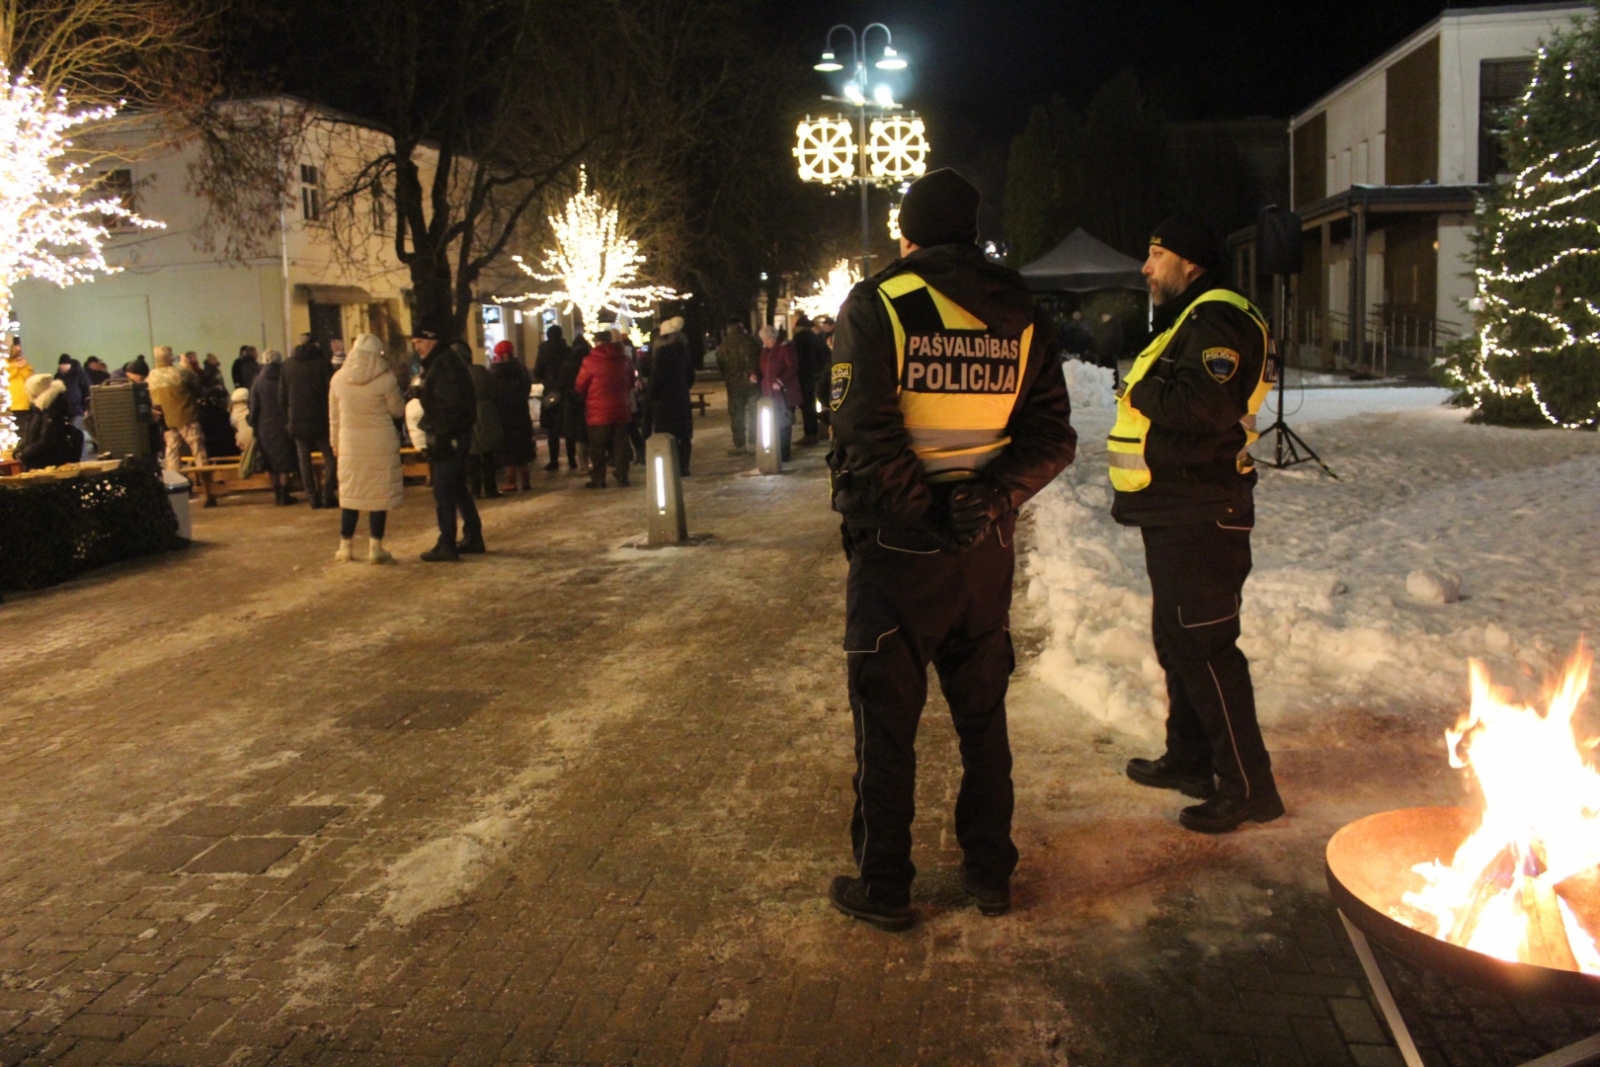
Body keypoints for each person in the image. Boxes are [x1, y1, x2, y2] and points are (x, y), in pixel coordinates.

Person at [825, 167, 1075, 930]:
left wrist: (929, 513)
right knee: (983, 716)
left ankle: (887, 883)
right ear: (971, 233)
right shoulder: (1024, 312)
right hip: (982, 555)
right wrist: (987, 501)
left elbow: (865, 437)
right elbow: (1052, 436)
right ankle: (990, 869)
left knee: (888, 722)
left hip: (900, 551)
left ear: (908, 233)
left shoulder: (881, 305)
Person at [1113, 214, 1283, 835]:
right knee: (1179, 639)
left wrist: (1137, 390)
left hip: (1202, 512)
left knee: (1207, 648)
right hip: (1180, 508)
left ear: (1190, 261)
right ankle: (1191, 760)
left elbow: (1202, 405)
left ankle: (1249, 787)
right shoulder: (1195, 317)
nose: (1146, 266)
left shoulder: (1218, 318)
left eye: (1156, 253)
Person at [329, 333, 404, 564]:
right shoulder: (386, 379)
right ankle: (375, 548)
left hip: (350, 443)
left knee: (352, 494)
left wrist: (335, 444)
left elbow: (334, 417)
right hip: (380, 442)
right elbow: (397, 410)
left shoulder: (338, 379)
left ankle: (345, 547)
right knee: (377, 496)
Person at [415, 319, 483, 561]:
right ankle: (473, 536)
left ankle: (447, 543)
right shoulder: (441, 362)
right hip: (453, 433)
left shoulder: (443, 364)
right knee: (455, 486)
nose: (417, 347)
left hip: (450, 435)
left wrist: (443, 437)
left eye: (420, 341)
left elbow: (450, 405)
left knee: (444, 489)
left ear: (432, 341)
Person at [574, 328, 635, 488]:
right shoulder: (625, 359)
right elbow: (631, 383)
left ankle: (599, 479)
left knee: (598, 447)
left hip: (598, 413)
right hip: (621, 409)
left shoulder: (590, 361)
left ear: (596, 342)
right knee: (621, 444)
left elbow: (580, 385)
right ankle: (623, 476)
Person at [281, 336, 337, 508]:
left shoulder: (288, 365)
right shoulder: (322, 363)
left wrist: (288, 417)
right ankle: (328, 495)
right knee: (331, 457)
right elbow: (331, 391)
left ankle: (312, 497)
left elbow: (282, 396)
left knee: (303, 460)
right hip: (320, 418)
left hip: (297, 420)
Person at [249, 349, 299, 504]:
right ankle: (284, 494)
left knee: (270, 460)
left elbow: (254, 405)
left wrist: (253, 422)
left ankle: (277, 494)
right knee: (284, 459)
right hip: (283, 423)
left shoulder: (258, 381)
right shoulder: (284, 377)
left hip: (265, 425)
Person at [147, 345, 208, 471]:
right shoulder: (180, 373)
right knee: (198, 449)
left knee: (172, 452)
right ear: (170, 357)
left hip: (166, 421)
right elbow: (197, 384)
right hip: (187, 418)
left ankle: (174, 481)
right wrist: (187, 366)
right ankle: (205, 480)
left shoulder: (150, 377)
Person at [648, 316, 695, 475]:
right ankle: (684, 466)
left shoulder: (662, 353)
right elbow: (691, 376)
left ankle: (670, 465)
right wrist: (682, 388)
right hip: (681, 397)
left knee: (666, 434)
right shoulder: (684, 350)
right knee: (684, 435)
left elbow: (656, 379)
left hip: (664, 401)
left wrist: (652, 396)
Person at [490, 339, 535, 492]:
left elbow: (493, 394)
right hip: (521, 413)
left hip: (504, 415)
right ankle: (525, 480)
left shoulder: (495, 372)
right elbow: (527, 387)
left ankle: (511, 482)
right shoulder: (520, 369)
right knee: (522, 448)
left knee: (507, 450)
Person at [16, 374, 83, 469]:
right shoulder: (38, 409)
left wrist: (25, 453)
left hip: (47, 464)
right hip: (37, 461)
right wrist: (19, 449)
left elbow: (47, 440)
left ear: (36, 391)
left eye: (28, 390)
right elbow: (30, 434)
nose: (27, 393)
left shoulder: (51, 411)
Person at [756, 325, 800, 462]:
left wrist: (780, 381)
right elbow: (762, 367)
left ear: (774, 338)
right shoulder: (766, 350)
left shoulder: (785, 348)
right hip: (769, 392)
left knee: (784, 422)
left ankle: (784, 453)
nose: (766, 342)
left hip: (784, 392)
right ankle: (776, 450)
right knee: (773, 422)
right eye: (764, 340)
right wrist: (754, 374)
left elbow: (792, 367)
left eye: (768, 340)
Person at [533, 325, 571, 471]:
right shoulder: (567, 350)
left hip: (550, 392)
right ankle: (572, 459)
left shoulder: (544, 351)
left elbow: (537, 372)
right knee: (568, 425)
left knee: (552, 429)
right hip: (566, 391)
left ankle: (554, 460)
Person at [718, 322, 760, 455]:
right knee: (755, 413)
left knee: (737, 414)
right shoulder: (753, 341)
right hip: (753, 383)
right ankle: (754, 441)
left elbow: (721, 364)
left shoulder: (725, 344)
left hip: (734, 384)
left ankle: (739, 443)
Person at [792, 314, 828, 446]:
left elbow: (797, 359)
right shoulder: (815, 338)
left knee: (806, 405)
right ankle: (814, 433)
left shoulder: (799, 339)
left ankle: (809, 434)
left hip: (803, 375)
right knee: (812, 405)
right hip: (815, 375)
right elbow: (824, 356)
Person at [558, 331, 590, 472]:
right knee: (589, 432)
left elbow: (561, 382)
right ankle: (593, 461)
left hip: (571, 401)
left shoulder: (568, 360)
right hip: (588, 399)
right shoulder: (590, 359)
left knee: (574, 433)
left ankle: (577, 463)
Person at [5, 343, 30, 420]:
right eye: (16, 349)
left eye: (19, 350)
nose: (18, 351)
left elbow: (29, 378)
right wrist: (15, 366)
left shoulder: (25, 365)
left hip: (24, 405)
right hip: (10, 405)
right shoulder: (5, 364)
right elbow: (6, 376)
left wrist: (22, 366)